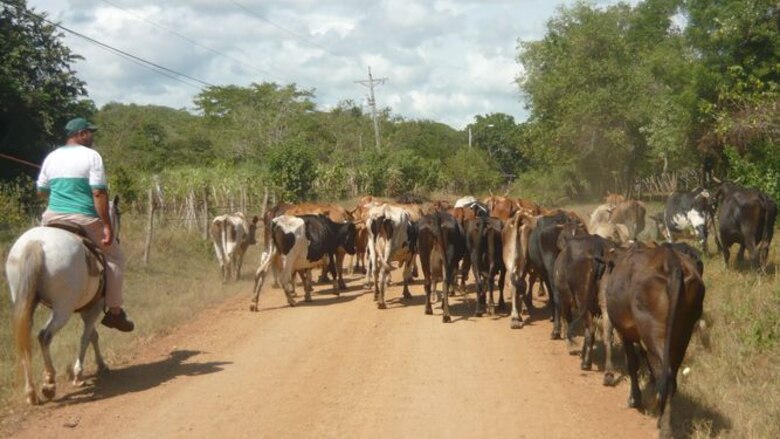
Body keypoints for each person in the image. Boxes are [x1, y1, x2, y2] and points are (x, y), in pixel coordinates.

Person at [36, 117, 134, 332]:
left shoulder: (51, 157)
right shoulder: (92, 156)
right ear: (80, 134)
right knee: (115, 257)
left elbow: (41, 191)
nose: (92, 136)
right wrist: (107, 225)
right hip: (83, 217)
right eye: (89, 132)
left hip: (51, 218)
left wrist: (61, 189)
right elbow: (98, 192)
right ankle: (115, 312)